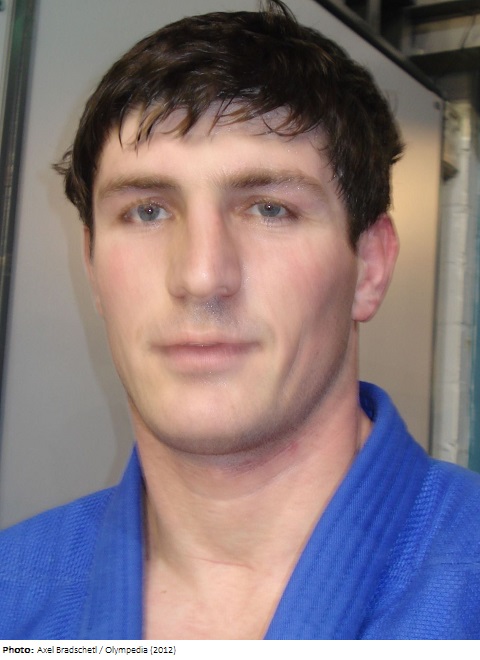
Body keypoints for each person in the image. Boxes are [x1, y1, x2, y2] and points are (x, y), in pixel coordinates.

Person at [1, 0, 479, 641]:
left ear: (369, 267)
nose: (200, 275)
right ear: (92, 267)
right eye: (147, 211)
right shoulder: (14, 592)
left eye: (270, 209)